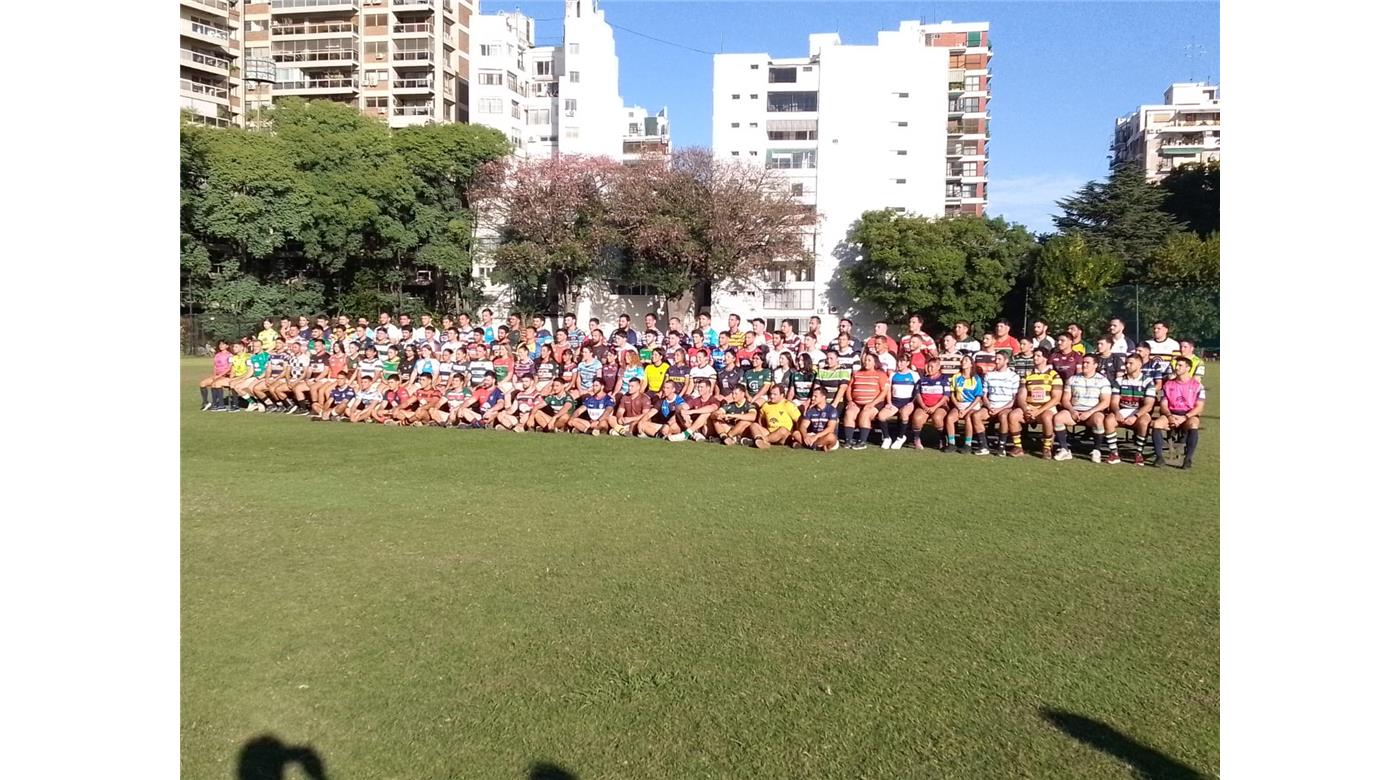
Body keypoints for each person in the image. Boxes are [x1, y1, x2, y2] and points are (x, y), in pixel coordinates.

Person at [1053, 354, 1116, 463]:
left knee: (1099, 419)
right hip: (1075, 411)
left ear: (1095, 365)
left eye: (1088, 363)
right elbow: (1065, 400)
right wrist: (1072, 411)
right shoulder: (1072, 379)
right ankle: (1065, 450)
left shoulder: (1103, 380)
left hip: (1093, 412)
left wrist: (1089, 412)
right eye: (1083, 362)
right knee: (1058, 418)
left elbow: (1105, 402)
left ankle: (1096, 450)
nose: (1084, 365)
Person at [1151, 356, 1206, 469]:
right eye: (1176, 365)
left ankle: (1188, 459)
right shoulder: (1168, 384)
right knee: (1156, 424)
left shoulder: (1197, 386)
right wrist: (1170, 416)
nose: (1176, 367)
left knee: (1193, 424)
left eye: (1180, 365)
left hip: (1188, 415)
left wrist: (1185, 417)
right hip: (1171, 413)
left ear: (1188, 368)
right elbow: (1164, 405)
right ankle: (1159, 457)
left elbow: (1199, 407)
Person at [1108, 353, 1157, 466]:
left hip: (1139, 412)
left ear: (1139, 364)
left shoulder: (1148, 381)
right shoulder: (1119, 380)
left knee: (1144, 422)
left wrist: (1135, 416)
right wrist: (1116, 412)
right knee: (1109, 420)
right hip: (1123, 410)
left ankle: (1139, 454)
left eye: (1131, 363)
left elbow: (1149, 405)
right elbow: (1114, 402)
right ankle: (1114, 453)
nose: (1127, 366)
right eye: (1126, 363)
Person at [1018, 347, 1064, 459]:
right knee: (1014, 415)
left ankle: (1047, 447)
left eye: (1038, 356)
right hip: (1029, 407)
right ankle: (1017, 447)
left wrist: (1038, 410)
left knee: (1047, 417)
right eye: (1034, 356)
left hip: (1046, 407)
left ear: (1045, 358)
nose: (1035, 358)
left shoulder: (1054, 375)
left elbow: (1056, 399)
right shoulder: (1027, 374)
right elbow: (1021, 396)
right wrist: (1026, 409)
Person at [843, 352, 890, 450]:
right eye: (865, 360)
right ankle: (848, 440)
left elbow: (884, 391)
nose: (866, 362)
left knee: (865, 414)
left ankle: (862, 441)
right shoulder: (857, 374)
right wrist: (850, 401)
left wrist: (872, 403)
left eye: (869, 360)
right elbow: (849, 388)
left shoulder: (880, 374)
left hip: (874, 403)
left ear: (874, 363)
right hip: (857, 403)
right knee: (849, 413)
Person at [981, 351, 1023, 456]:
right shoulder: (989, 375)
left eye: (999, 359)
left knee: (1004, 416)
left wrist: (999, 409)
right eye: (996, 358)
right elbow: (984, 395)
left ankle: (1001, 446)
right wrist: (989, 406)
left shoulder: (1013, 376)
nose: (996, 361)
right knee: (975, 416)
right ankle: (984, 446)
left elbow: (1013, 399)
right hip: (991, 406)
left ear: (1006, 361)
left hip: (1005, 407)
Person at [946, 355, 989, 454]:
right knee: (950, 418)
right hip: (959, 404)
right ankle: (951, 444)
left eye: (966, 360)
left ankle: (967, 444)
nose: (963, 362)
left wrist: (966, 410)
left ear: (971, 364)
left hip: (972, 405)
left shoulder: (976, 378)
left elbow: (978, 397)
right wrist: (958, 406)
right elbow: (952, 394)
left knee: (968, 418)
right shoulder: (956, 377)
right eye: (962, 361)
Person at [878, 353, 919, 449]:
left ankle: (900, 438)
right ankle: (887, 438)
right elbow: (888, 390)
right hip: (895, 402)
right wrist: (889, 402)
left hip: (908, 401)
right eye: (898, 361)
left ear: (908, 363)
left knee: (904, 413)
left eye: (902, 362)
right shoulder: (893, 375)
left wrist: (912, 402)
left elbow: (917, 390)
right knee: (881, 416)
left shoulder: (914, 375)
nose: (899, 364)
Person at [909, 362, 951, 451]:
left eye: (932, 367)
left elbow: (946, 396)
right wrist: (923, 406)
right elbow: (918, 394)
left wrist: (934, 407)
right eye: (928, 366)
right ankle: (916, 439)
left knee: (937, 418)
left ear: (938, 367)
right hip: (925, 406)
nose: (929, 369)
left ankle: (942, 438)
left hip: (939, 406)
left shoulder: (944, 379)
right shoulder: (922, 380)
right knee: (917, 418)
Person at [793, 385, 840, 451]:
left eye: (815, 396)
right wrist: (805, 436)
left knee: (831, 437)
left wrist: (816, 436)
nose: (812, 398)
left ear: (823, 397)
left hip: (823, 435)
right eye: (812, 396)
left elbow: (830, 428)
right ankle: (818, 447)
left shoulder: (832, 410)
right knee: (796, 433)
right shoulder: (810, 410)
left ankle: (807, 445)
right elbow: (803, 426)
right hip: (812, 435)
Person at [199, 340, 232, 411]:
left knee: (215, 384)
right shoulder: (217, 355)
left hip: (225, 376)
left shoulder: (230, 355)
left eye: (223, 344)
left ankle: (219, 404)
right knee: (202, 383)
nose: (221, 346)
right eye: (220, 344)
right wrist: (214, 375)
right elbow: (215, 366)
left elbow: (229, 368)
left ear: (227, 346)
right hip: (217, 375)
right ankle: (206, 403)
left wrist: (219, 376)